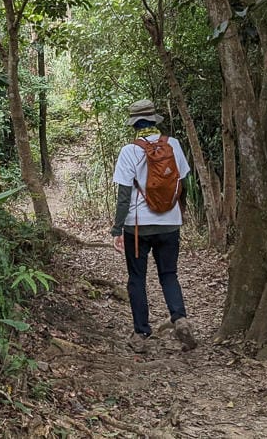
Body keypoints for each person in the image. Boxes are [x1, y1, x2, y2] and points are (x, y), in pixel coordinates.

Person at [111, 99, 197, 353]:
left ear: (134, 124)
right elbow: (182, 184)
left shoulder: (129, 151)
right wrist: (179, 213)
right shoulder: (173, 145)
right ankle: (179, 318)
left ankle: (141, 333)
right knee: (169, 274)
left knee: (137, 278)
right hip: (169, 223)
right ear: (154, 120)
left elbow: (124, 196)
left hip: (138, 227)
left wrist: (117, 229)